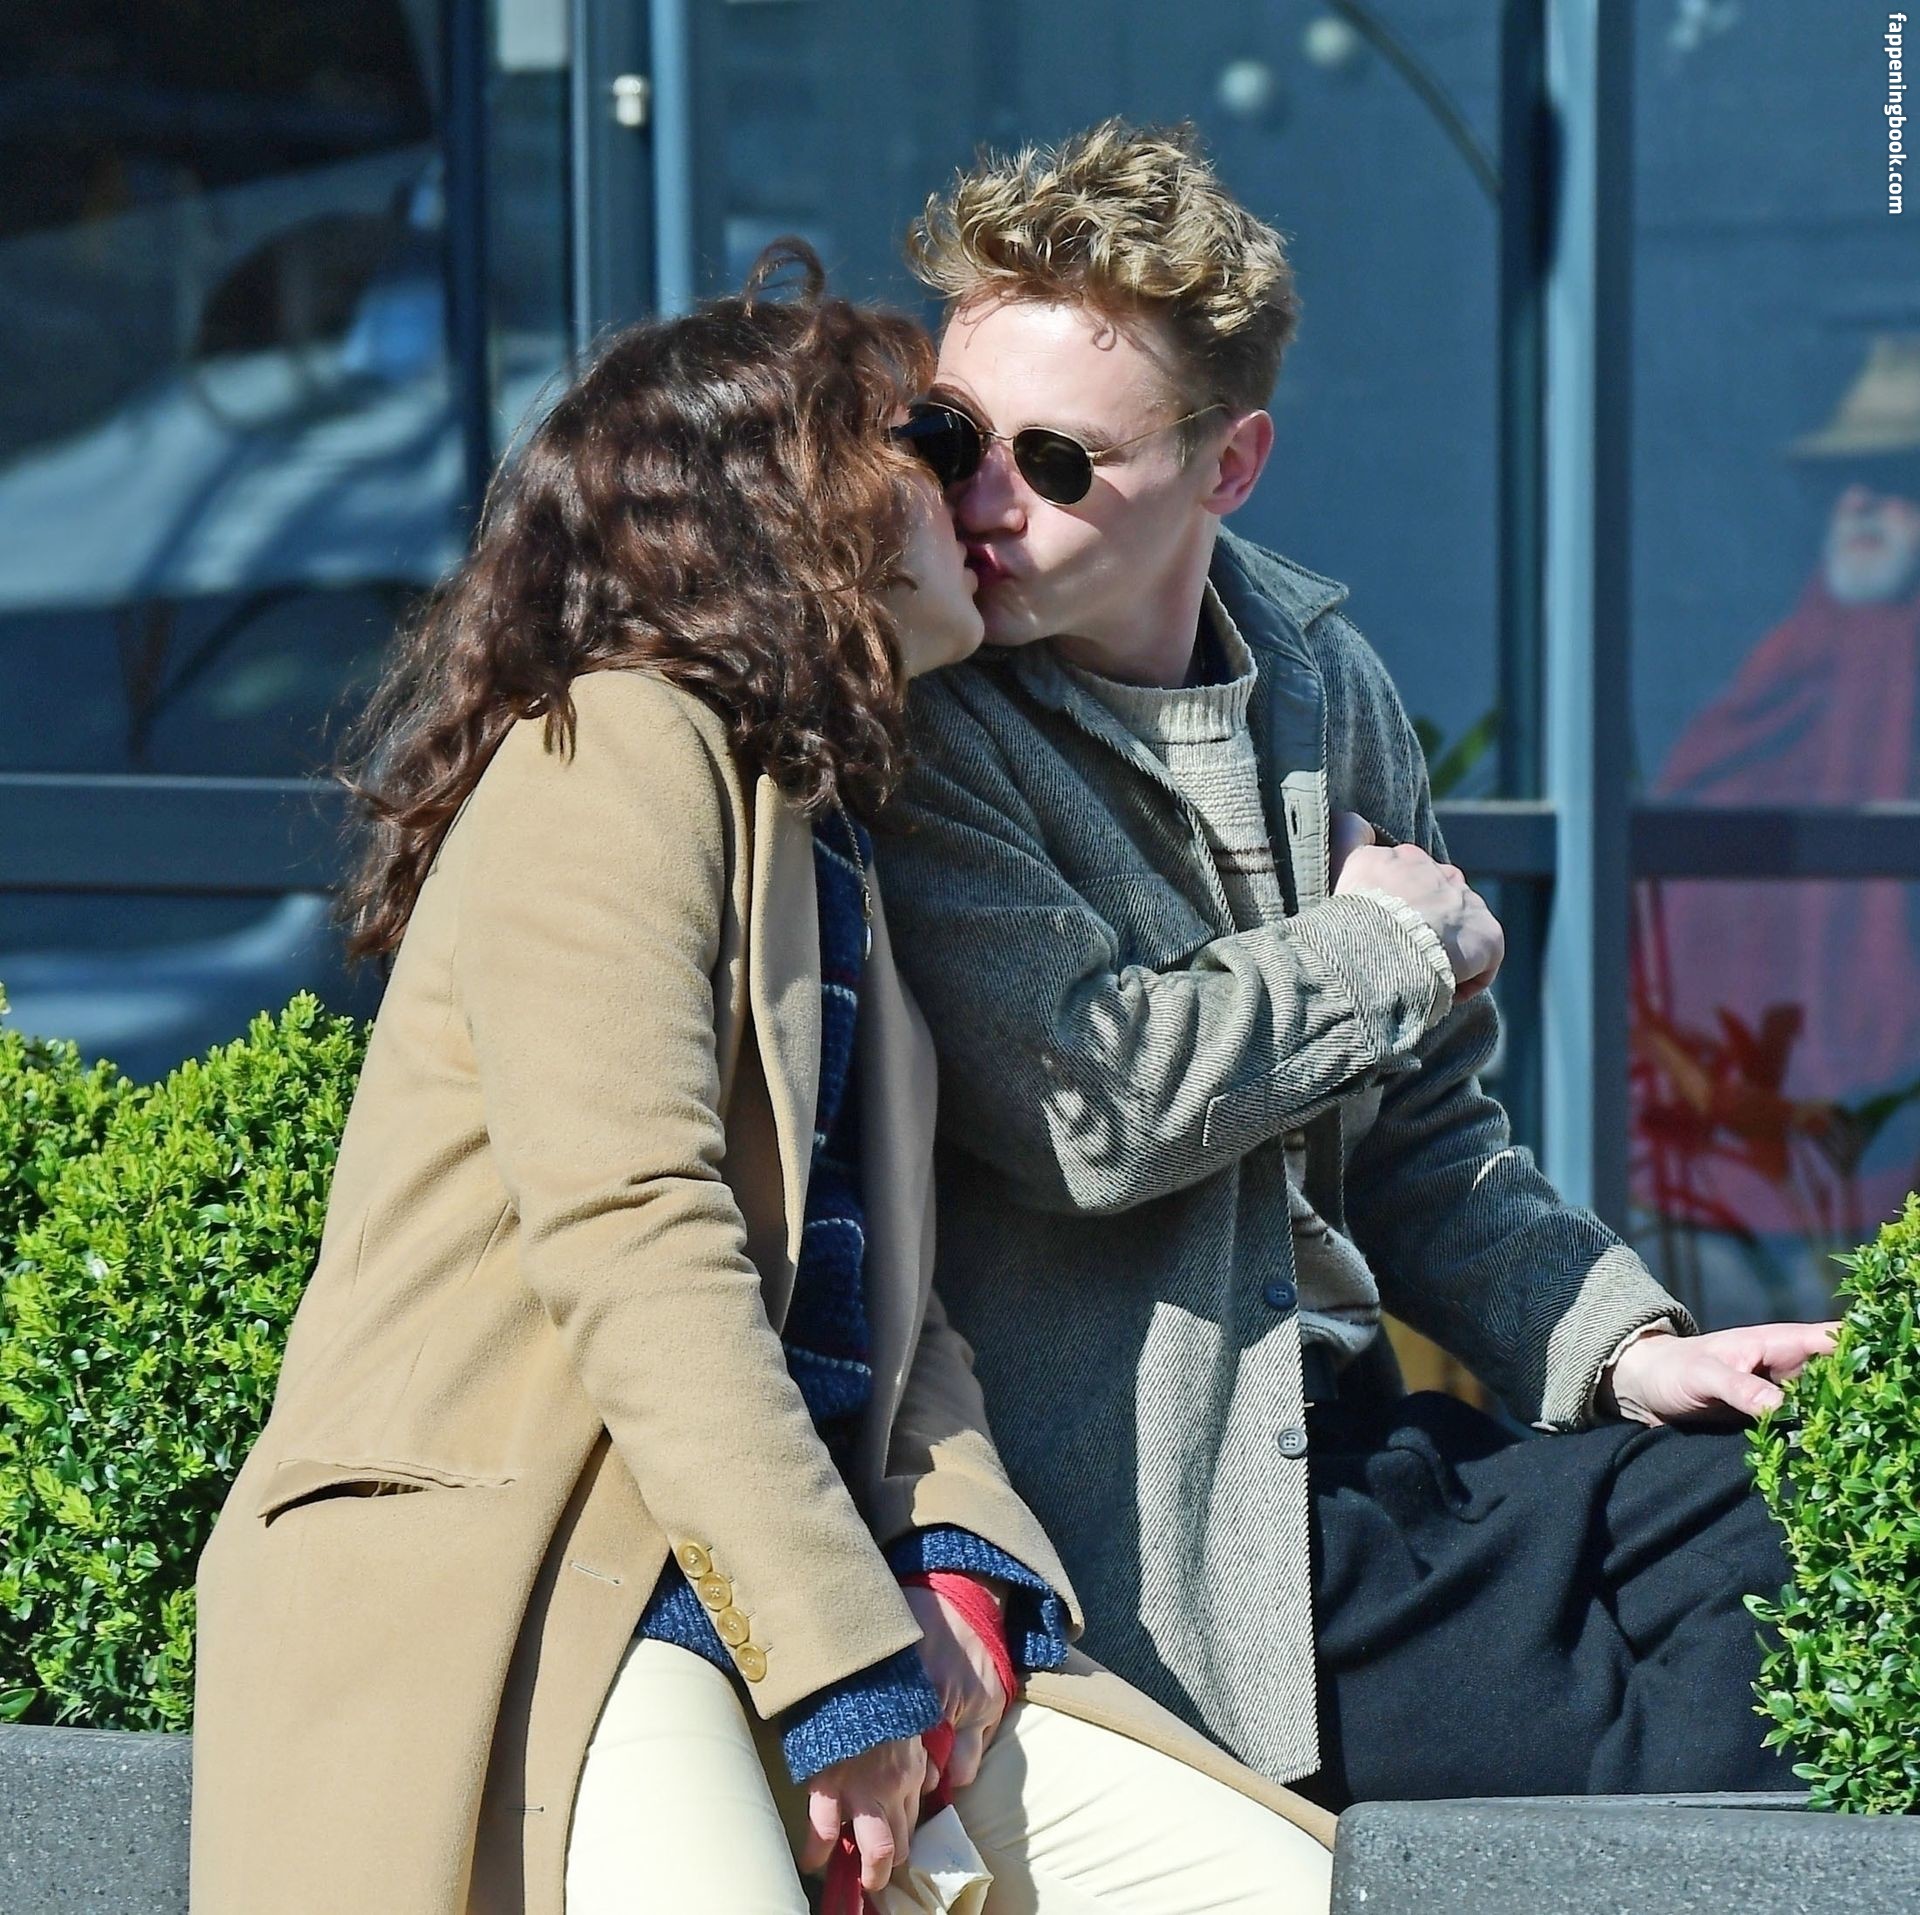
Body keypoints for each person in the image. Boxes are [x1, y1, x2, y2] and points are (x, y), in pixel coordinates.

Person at [187, 243, 1335, 1914]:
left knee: (1275, 1888)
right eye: (929, 440)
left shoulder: (823, 825)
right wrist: (842, 1679)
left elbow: (896, 1319)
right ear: (789, 501)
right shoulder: (614, 741)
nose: (978, 491)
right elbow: (638, 1235)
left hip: (798, 1592)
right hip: (556, 1582)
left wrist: (958, 1569)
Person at [874, 121, 1836, 1810]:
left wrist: (1627, 1347)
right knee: (1642, 1754)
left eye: (1060, 460)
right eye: (952, 435)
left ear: (1229, 466)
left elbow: (1427, 1144)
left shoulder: (1321, 682)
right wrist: (1380, 945)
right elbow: (1088, 1106)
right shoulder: (930, 719)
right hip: (1167, 1535)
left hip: (1372, 1446)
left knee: (1793, 1524)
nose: (985, 501)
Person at [1634, 335, 1920, 1318]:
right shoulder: (1788, 654)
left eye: (1897, 483)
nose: (1862, 506)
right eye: (1845, 486)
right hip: (1729, 1133)